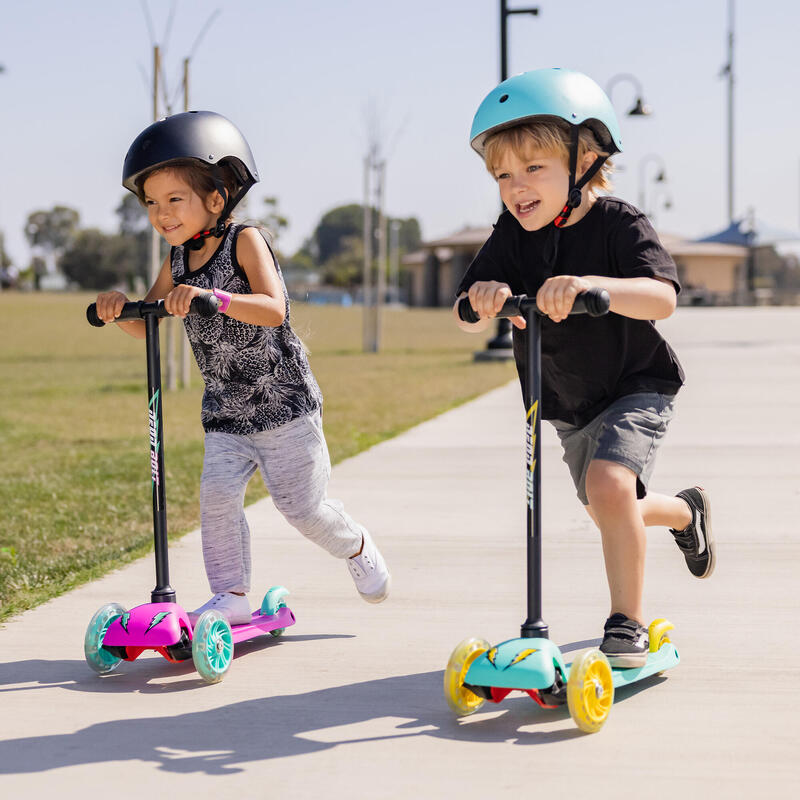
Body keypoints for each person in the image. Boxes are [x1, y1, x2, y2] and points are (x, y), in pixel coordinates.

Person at [454, 69, 714, 668]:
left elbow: (663, 298)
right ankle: (684, 510)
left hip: (635, 385)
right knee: (608, 507)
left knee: (609, 488)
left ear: (587, 158)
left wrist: (595, 285)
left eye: (532, 168)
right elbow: (464, 309)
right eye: (502, 175)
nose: (515, 187)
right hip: (569, 402)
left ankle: (627, 623)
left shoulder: (619, 223)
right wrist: (486, 296)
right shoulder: (511, 235)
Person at [94, 111, 390, 624]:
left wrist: (215, 297)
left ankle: (355, 544)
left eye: (174, 200)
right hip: (226, 414)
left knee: (302, 509)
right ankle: (230, 595)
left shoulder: (244, 240)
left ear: (216, 198)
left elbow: (274, 308)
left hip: (283, 407)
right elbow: (149, 321)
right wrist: (121, 310)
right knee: (218, 500)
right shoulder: (177, 261)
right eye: (151, 203)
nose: (161, 214)